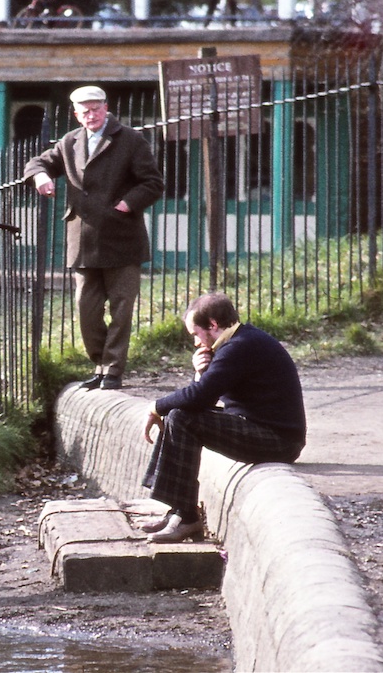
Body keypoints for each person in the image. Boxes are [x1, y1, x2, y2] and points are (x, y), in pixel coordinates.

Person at [24, 85, 164, 391]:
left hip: (122, 237)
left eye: (96, 109)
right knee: (85, 309)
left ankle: (113, 369)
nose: (91, 115)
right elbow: (39, 162)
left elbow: (153, 183)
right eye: (84, 111)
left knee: (121, 307)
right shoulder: (69, 141)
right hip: (83, 239)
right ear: (76, 114)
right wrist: (41, 176)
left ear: (106, 107)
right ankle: (100, 363)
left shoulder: (130, 139)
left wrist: (128, 203)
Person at [141, 293, 307, 543]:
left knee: (181, 418)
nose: (196, 343)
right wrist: (200, 373)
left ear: (213, 325)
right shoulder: (237, 342)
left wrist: (155, 407)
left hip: (278, 440)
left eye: (196, 334)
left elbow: (197, 399)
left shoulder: (240, 347)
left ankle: (187, 518)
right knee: (179, 415)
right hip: (261, 428)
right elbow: (200, 399)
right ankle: (178, 511)